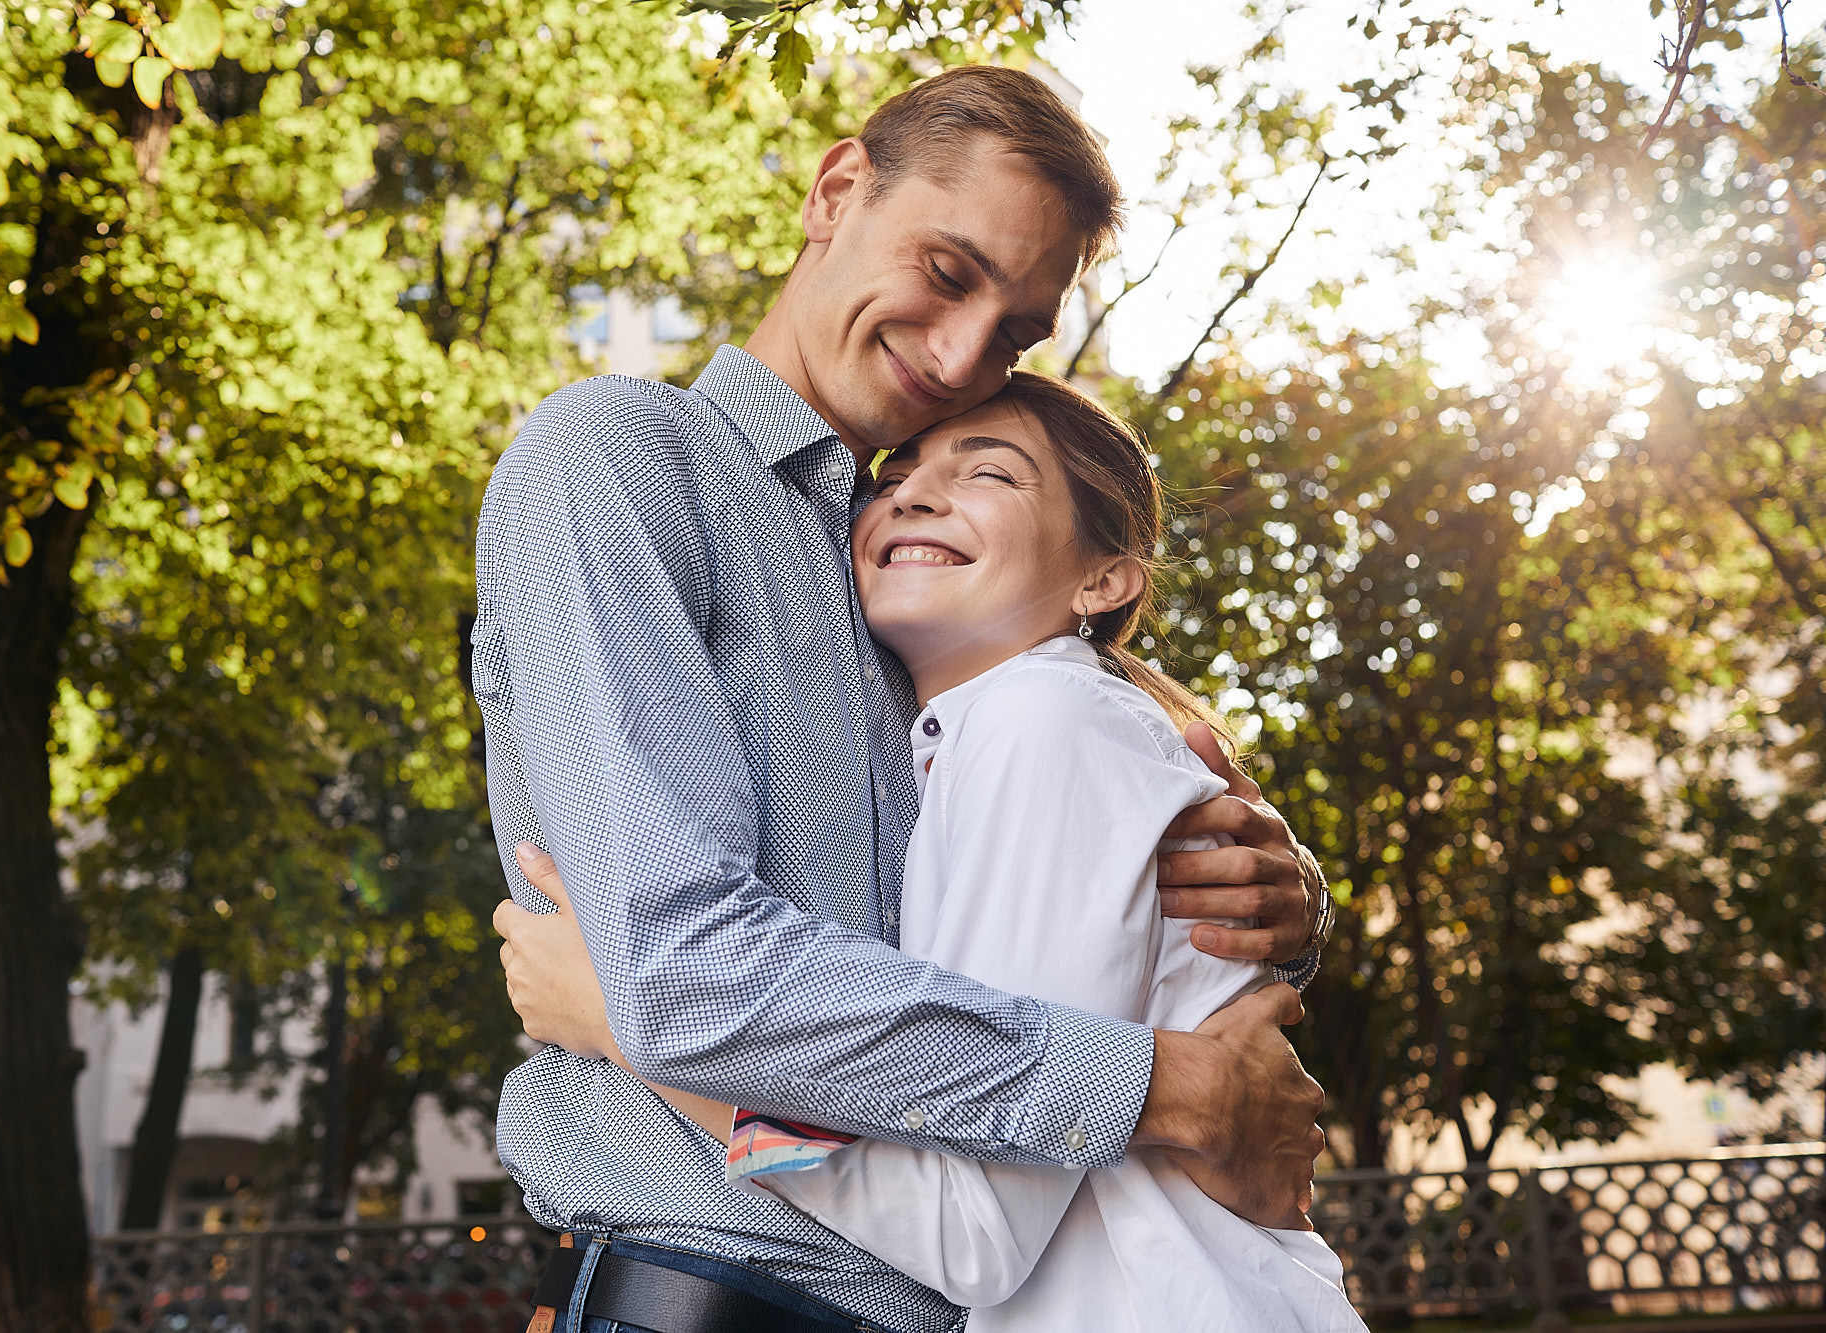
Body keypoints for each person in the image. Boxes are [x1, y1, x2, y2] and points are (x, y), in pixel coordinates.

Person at [476, 65, 1333, 1333]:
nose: (957, 353)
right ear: (837, 191)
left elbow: (1046, 895)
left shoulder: (916, 582)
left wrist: (1273, 903)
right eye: (945, 271)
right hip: (715, 1288)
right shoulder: (617, 459)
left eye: (1013, 331)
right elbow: (680, 970)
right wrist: (1165, 1086)